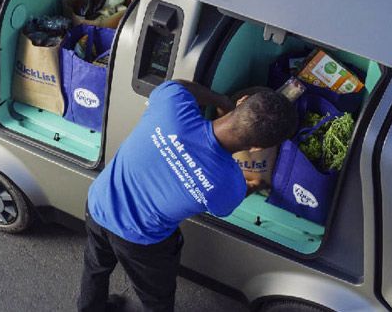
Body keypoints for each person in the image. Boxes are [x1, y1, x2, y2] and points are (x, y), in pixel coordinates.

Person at [78, 80, 298, 312]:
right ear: (255, 148)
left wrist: (222, 100)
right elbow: (223, 203)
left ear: (241, 101)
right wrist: (254, 185)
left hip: (100, 203)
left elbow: (178, 85)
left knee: (95, 266)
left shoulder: (172, 105)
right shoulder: (229, 184)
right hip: (142, 241)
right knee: (156, 299)